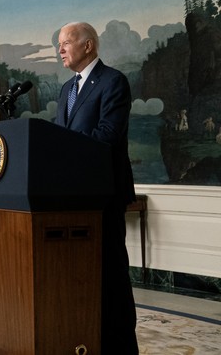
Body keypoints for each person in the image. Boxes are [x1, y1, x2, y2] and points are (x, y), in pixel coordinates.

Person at [55, 21, 138, 353]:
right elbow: (60, 137)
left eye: (66, 43)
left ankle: (121, 346)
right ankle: (88, 337)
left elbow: (106, 136)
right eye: (59, 44)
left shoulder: (113, 82)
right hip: (71, 198)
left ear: (88, 45)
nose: (60, 49)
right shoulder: (65, 90)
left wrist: (60, 148)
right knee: (81, 277)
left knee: (111, 275)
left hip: (104, 195)